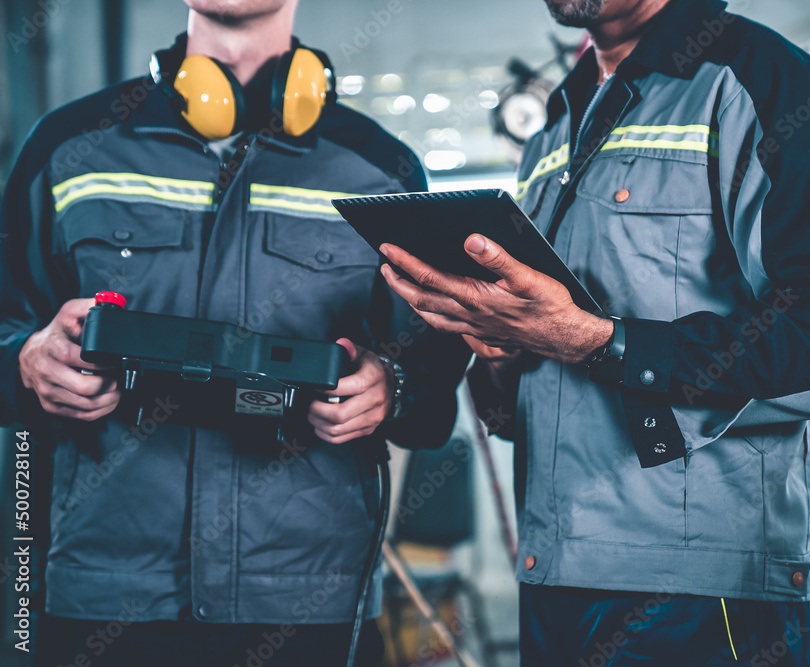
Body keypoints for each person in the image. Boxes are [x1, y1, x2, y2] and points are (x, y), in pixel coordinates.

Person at [380, 0, 810, 664]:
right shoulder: (554, 126)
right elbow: (525, 394)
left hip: (697, 590)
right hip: (553, 571)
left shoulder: (763, 83)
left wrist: (597, 341)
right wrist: (502, 349)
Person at [0, 1, 469, 665]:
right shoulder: (69, 147)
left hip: (307, 599)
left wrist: (388, 390)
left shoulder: (380, 171)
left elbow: (433, 392)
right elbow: (7, 325)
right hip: (104, 593)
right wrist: (23, 360)